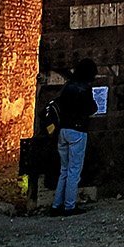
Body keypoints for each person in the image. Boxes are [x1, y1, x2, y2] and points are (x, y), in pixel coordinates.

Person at [49, 58, 98, 214]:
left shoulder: (67, 87)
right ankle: (70, 205)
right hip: (77, 131)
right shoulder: (84, 89)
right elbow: (91, 108)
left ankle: (56, 205)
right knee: (74, 170)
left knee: (64, 169)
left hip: (63, 130)